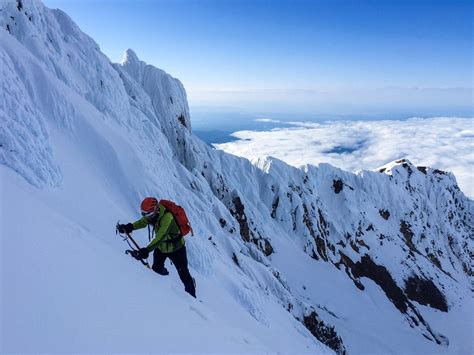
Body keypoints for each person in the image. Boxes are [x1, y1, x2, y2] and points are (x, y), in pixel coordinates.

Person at [118, 197, 196, 298]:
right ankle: (162, 288)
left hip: (177, 249)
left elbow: (160, 237)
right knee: (156, 269)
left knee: (184, 274)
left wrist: (146, 250)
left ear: (156, 209)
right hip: (161, 248)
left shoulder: (168, 217)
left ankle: (192, 296)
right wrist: (130, 227)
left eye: (148, 215)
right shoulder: (152, 214)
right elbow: (143, 222)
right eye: (144, 214)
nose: (147, 217)